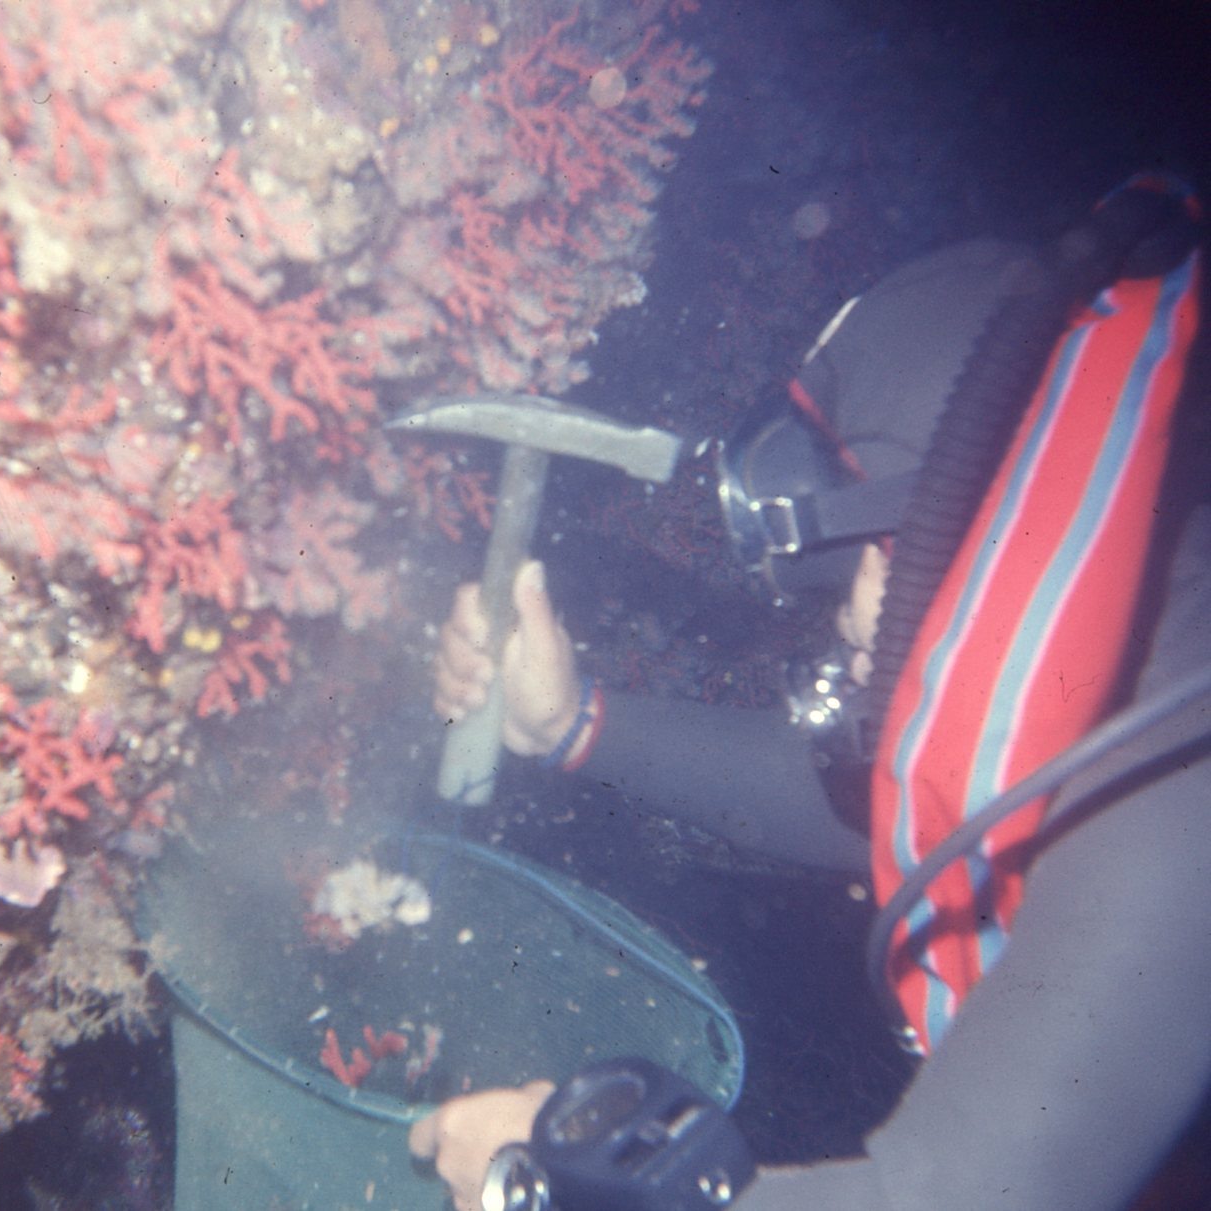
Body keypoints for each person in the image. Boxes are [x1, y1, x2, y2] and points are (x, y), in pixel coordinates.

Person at [410, 177, 1211, 1211]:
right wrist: (571, 722)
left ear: (943, 535)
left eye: (851, 567)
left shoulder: (1182, 788)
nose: (837, 615)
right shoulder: (1144, 665)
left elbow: (964, 1192)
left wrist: (551, 1184)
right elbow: (883, 810)